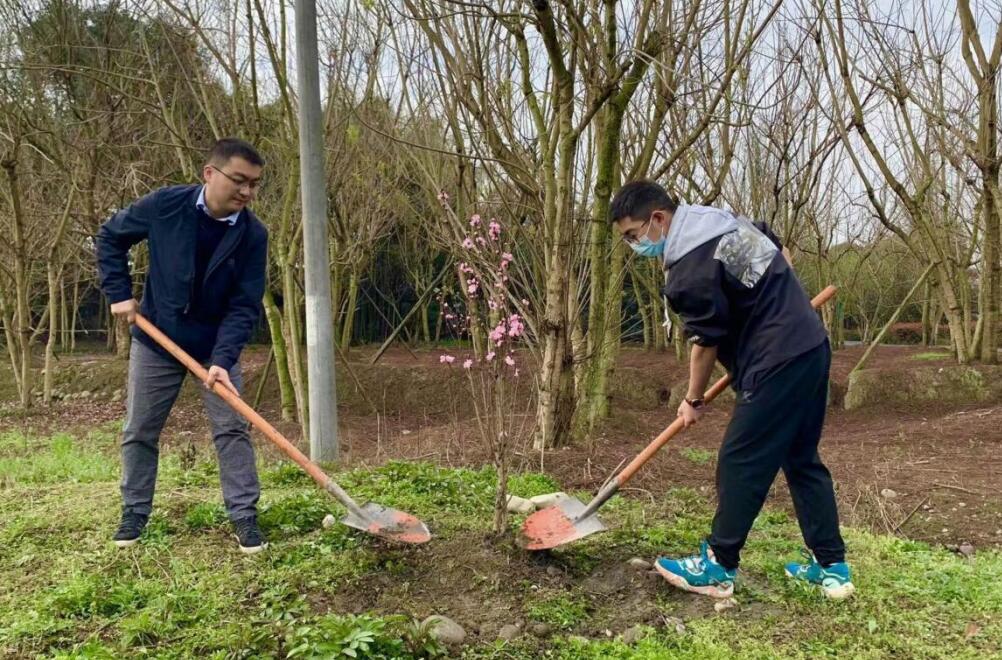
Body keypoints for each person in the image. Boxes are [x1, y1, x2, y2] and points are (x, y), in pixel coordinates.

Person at [608, 179, 853, 600]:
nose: (635, 246)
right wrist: (779, 302)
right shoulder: (718, 224)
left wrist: (692, 400)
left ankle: (719, 566)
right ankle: (832, 567)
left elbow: (705, 342)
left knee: (741, 460)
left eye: (634, 235)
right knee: (800, 459)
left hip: (775, 360)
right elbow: (776, 249)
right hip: (811, 346)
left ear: (658, 218)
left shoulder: (687, 269)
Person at [96, 137, 269, 554]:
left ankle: (244, 517)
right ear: (210, 174)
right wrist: (119, 292)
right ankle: (134, 513)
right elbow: (110, 237)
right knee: (140, 428)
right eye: (239, 181)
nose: (247, 192)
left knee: (232, 429)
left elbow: (244, 306)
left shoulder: (252, 235)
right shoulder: (165, 206)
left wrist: (224, 360)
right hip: (158, 340)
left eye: (254, 184)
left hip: (214, 348)